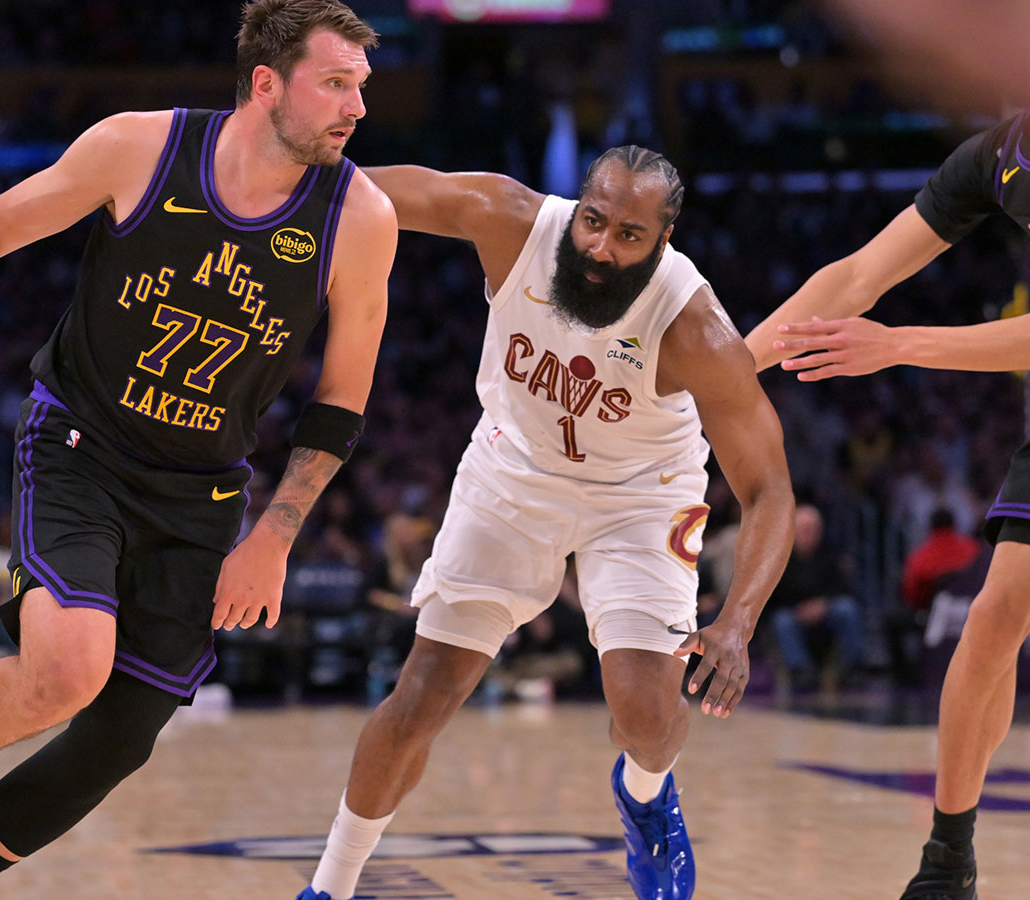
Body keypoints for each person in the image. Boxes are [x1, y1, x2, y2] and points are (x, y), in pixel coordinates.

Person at [0, 2, 397, 898]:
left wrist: (275, 537)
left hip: (203, 493)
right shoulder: (141, 148)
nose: (356, 107)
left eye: (360, 86)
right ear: (266, 83)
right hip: (81, 447)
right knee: (68, 671)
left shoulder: (359, 216)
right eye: (334, 83)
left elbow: (341, 400)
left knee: (119, 739)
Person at [296, 147, 794, 900]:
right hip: (514, 470)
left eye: (629, 235)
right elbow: (364, 194)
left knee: (648, 712)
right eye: (594, 220)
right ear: (577, 205)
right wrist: (265, 179)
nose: (601, 246)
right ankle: (329, 887)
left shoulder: (696, 330)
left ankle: (646, 794)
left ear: (663, 241)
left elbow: (769, 492)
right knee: (421, 697)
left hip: (641, 494)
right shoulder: (511, 222)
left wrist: (738, 623)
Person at [745, 3, 1030, 896]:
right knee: (991, 617)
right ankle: (947, 864)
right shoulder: (998, 156)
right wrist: (732, 375)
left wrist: (898, 343)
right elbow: (858, 275)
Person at [766, 504, 863, 691]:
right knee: (781, 620)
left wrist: (823, 605)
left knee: (847, 608)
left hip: (826, 612)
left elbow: (844, 588)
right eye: (804, 530)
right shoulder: (779, 559)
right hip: (794, 614)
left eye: (813, 530)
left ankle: (854, 667)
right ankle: (800, 670)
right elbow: (772, 599)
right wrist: (799, 609)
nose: (808, 535)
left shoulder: (831, 555)